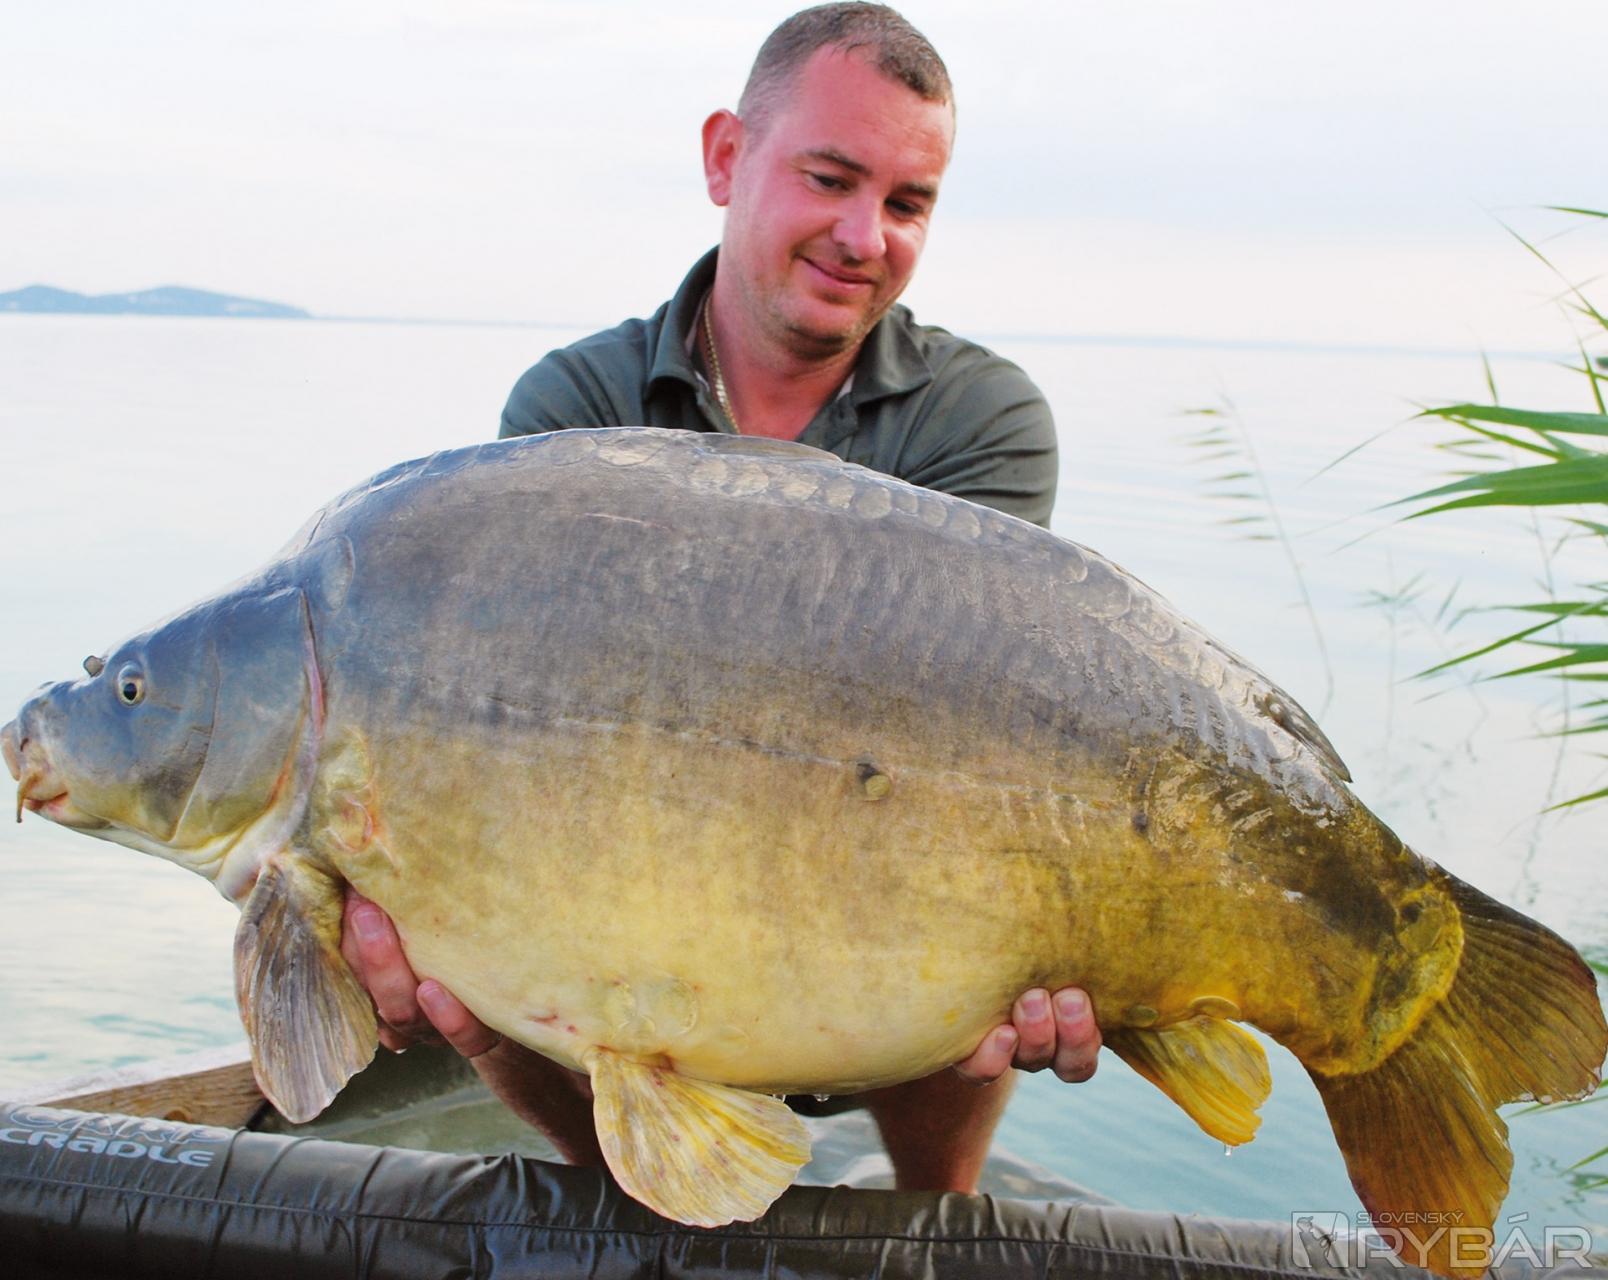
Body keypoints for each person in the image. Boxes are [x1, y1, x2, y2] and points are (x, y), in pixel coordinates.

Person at [342, 1, 1100, 1198]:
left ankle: (935, 1213)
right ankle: (635, 1200)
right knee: (470, 959)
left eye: (907, 204)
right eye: (830, 179)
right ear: (726, 157)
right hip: (637, 885)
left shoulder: (982, 418)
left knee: (970, 890)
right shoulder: (572, 411)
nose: (864, 236)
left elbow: (964, 728)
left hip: (886, 882)